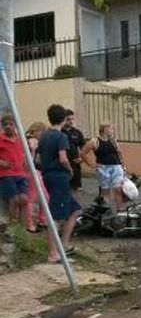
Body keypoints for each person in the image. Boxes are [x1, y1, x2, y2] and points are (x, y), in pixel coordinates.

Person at [38, 104, 81, 263]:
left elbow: (38, 159)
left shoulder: (44, 136)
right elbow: (63, 158)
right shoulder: (60, 136)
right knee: (56, 217)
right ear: (63, 119)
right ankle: (53, 254)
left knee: (75, 210)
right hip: (59, 177)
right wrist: (70, 170)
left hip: (48, 175)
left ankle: (64, 245)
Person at [81, 123, 127, 211]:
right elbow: (83, 153)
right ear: (105, 129)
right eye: (111, 129)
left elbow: (119, 153)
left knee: (118, 189)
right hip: (103, 168)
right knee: (105, 191)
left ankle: (120, 211)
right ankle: (103, 211)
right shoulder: (95, 141)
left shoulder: (113, 140)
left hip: (116, 167)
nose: (113, 131)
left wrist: (123, 167)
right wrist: (91, 165)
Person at [0, 115, 30, 226]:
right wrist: (1, 162)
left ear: (16, 125)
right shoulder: (1, 139)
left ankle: (23, 227)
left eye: (10, 124)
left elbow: (27, 152)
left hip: (20, 174)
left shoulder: (20, 139)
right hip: (6, 174)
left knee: (24, 199)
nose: (8, 126)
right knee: (14, 199)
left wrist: (26, 161)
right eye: (5, 125)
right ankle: (13, 226)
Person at [24, 122, 49, 233]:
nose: (43, 134)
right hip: (33, 172)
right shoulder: (31, 142)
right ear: (36, 131)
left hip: (38, 171)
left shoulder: (36, 142)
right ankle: (32, 224)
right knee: (35, 198)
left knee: (44, 196)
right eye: (42, 132)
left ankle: (42, 220)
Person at [62, 110, 86, 197]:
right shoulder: (59, 131)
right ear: (63, 119)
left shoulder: (77, 132)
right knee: (63, 189)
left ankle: (75, 209)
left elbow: (84, 148)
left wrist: (82, 158)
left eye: (72, 119)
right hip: (62, 165)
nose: (71, 121)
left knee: (75, 190)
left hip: (75, 165)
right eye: (68, 119)